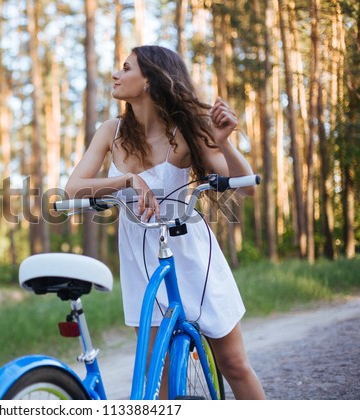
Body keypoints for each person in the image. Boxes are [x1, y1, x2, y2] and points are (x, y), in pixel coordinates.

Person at [64, 45, 265, 399]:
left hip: (191, 254)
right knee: (160, 376)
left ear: (149, 81)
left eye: (126, 68)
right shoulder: (111, 132)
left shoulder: (183, 131)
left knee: (233, 364)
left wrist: (223, 144)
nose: (115, 74)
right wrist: (126, 180)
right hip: (143, 262)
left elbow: (244, 188)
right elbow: (72, 189)